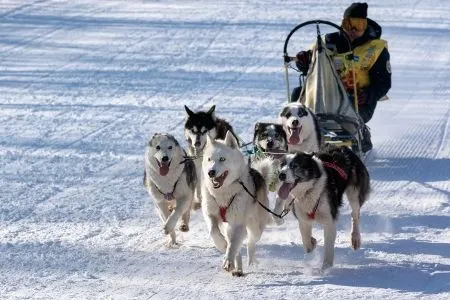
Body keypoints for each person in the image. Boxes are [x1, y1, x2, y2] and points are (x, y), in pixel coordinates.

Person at [294, 2, 391, 153]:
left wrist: (367, 95)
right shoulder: (327, 42)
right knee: (297, 93)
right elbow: (311, 67)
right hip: (325, 95)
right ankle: (296, 135)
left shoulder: (375, 49)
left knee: (349, 104)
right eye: (348, 24)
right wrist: (303, 61)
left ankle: (360, 130)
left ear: (365, 26)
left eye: (358, 25)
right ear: (342, 23)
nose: (352, 30)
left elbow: (384, 82)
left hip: (358, 100)